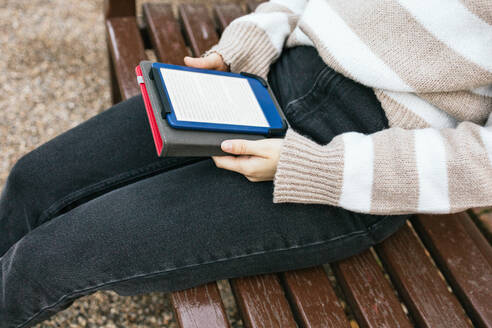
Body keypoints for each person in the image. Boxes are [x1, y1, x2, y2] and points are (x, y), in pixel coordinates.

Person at [1, 0, 491, 326]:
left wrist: (320, 168)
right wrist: (256, 36)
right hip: (267, 82)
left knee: (50, 258)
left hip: (358, 168)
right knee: (32, 180)